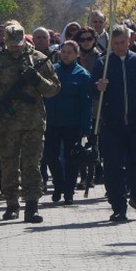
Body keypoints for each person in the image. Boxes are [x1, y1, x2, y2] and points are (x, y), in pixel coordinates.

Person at [0, 23, 61, 223]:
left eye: (18, 44)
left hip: (33, 122)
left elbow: (54, 88)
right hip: (5, 125)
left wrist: (37, 79)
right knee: (8, 165)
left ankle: (32, 206)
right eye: (11, 44)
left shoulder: (38, 60)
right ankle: (11, 204)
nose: (15, 48)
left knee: (32, 164)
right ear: (5, 41)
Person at [91, 24, 136, 222]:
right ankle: (118, 206)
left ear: (129, 40)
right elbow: (91, 89)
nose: (119, 47)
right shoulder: (103, 63)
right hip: (111, 123)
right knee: (113, 165)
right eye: (115, 44)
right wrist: (98, 86)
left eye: (122, 42)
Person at [43, 40, 92, 205]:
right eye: (64, 52)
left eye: (70, 52)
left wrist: (86, 127)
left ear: (77, 54)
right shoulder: (52, 70)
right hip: (51, 121)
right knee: (51, 156)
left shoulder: (82, 75)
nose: (66, 55)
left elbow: (87, 103)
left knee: (71, 158)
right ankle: (58, 184)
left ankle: (69, 192)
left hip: (72, 123)